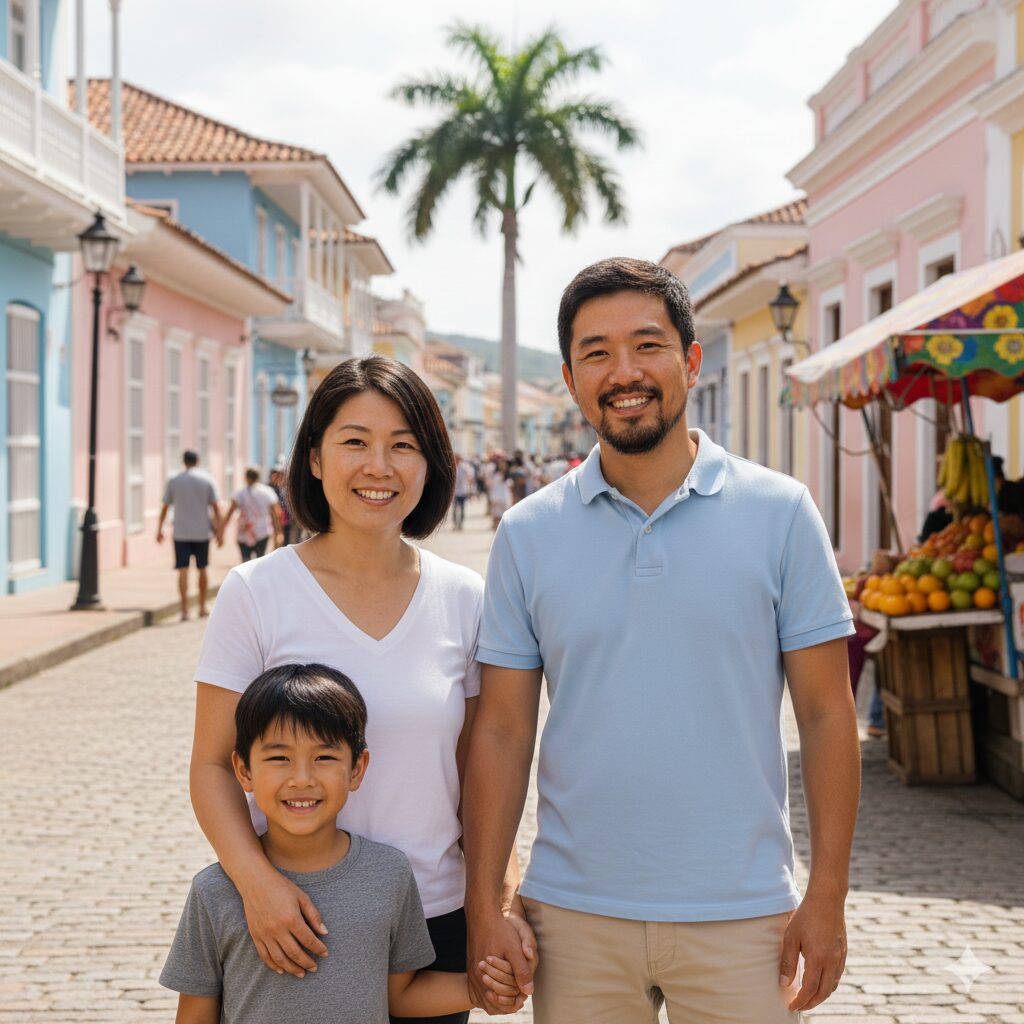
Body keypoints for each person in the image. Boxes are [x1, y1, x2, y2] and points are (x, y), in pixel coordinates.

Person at [463, 257, 861, 1023]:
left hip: (745, 916)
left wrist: (828, 893)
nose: (624, 372)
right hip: (571, 915)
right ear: (573, 380)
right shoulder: (526, 533)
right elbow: (504, 729)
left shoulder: (782, 513)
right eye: (596, 353)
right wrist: (487, 903)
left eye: (647, 345)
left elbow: (825, 713)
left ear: (690, 359)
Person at [190, 356, 534, 1024]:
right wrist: (258, 887)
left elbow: (480, 766)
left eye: (403, 446)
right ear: (314, 458)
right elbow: (211, 766)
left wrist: (498, 896)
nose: (379, 466)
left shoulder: (463, 596)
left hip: (433, 923)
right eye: (355, 442)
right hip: (296, 922)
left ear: (431, 464)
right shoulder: (256, 593)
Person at [161, 662, 521, 1023]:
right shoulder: (214, 891)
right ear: (243, 771)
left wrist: (479, 991)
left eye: (324, 758)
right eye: (279, 758)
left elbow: (400, 996)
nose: (302, 779)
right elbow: (194, 1014)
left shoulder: (389, 876)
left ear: (356, 769)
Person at [157, 450, 222, 621]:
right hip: (202, 532)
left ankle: (185, 610)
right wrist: (220, 531)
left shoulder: (174, 479)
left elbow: (165, 506)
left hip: (181, 532)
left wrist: (159, 528)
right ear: (198, 461)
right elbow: (215, 507)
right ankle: (201, 607)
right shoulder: (207, 479)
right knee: (202, 568)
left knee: (183, 570)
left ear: (183, 461)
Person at [224, 467, 283, 562]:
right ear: (258, 477)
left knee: (245, 562)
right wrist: (278, 533)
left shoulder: (240, 493)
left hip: (244, 532)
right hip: (262, 531)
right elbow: (276, 515)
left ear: (246, 477)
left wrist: (221, 531)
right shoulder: (267, 492)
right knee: (260, 560)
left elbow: (229, 513)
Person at [269, 462, 295, 545]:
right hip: (275, 518)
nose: (278, 477)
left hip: (286, 518)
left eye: (281, 475)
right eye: (276, 474)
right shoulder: (270, 488)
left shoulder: (287, 487)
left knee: (286, 539)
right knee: (277, 539)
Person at [452, 455, 476, 531]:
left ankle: (461, 523)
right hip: (455, 492)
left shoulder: (464, 468)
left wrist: (471, 489)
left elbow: (470, 478)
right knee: (455, 509)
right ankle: (455, 523)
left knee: (462, 508)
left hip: (462, 491)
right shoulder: (453, 468)